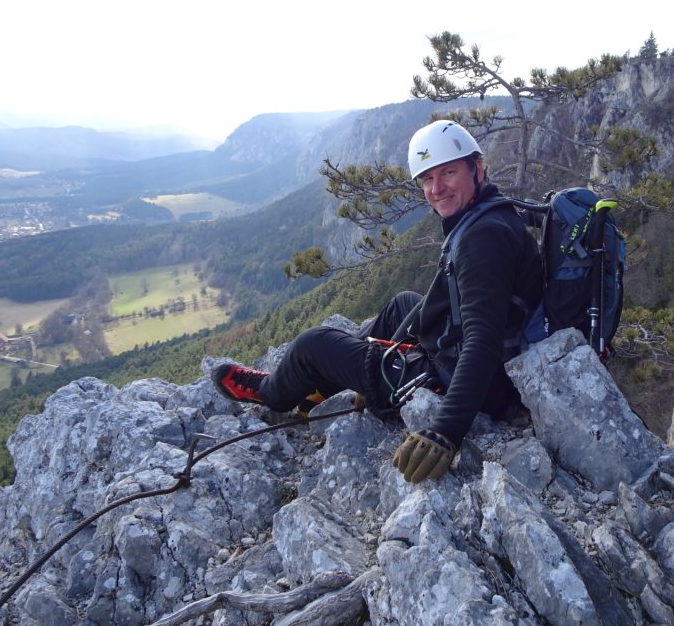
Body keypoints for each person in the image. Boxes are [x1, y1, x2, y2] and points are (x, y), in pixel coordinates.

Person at [211, 120, 543, 483]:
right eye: (428, 179)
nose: (437, 188)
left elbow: (482, 340)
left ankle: (271, 394)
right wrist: (376, 368)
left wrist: (445, 430)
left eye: (449, 173)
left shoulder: (484, 240)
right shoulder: (490, 213)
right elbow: (462, 306)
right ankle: (348, 381)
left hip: (464, 380)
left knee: (313, 343)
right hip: (486, 351)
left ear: (477, 169)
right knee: (404, 303)